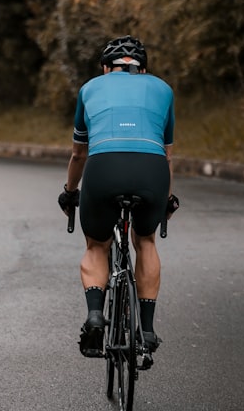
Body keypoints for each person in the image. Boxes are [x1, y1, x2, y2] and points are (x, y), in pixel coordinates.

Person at [58, 36, 179, 369]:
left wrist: (70, 191)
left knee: (97, 245)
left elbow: (79, 153)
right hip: (151, 169)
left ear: (105, 68)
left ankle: (96, 315)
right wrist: (167, 199)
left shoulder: (89, 88)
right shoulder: (163, 89)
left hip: (103, 166)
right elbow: (168, 156)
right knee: (146, 240)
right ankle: (148, 332)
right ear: (144, 69)